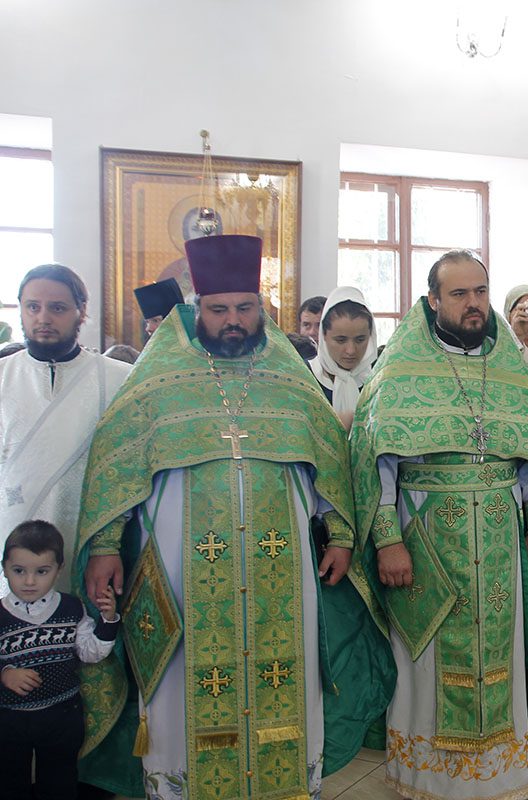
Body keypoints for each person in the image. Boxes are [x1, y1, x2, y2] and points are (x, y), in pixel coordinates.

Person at [77, 234, 392, 799]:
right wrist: (104, 545)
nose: (232, 321)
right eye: (219, 309)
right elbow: (116, 465)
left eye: (244, 308)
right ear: (198, 307)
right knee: (181, 686)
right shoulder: (156, 379)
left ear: (260, 307)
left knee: (285, 679)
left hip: (282, 571)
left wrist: (341, 536)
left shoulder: (289, 379)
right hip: (181, 574)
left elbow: (328, 462)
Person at [352, 250, 528, 800]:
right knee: (426, 656)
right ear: (433, 300)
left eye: (480, 292)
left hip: (498, 535)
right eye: (460, 294)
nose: (473, 304)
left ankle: (500, 776)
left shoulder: (509, 369)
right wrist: (388, 542)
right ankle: (429, 779)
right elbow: (378, 464)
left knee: (499, 651)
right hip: (427, 539)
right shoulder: (400, 368)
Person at [0, 264, 132, 595]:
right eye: (33, 307)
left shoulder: (119, 379)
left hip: (87, 540)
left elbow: (128, 469)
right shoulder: (2, 376)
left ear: (81, 311)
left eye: (57, 308)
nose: (43, 318)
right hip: (9, 534)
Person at [0, 521, 119, 800]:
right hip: (10, 719)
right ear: (4, 568)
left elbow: (91, 652)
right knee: (9, 781)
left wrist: (108, 620)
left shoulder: (70, 607)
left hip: (63, 715)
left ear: (58, 569)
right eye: (19, 571)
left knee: (59, 782)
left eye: (42, 571)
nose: (30, 581)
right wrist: (5, 674)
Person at [309, 287, 377, 432]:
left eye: (360, 340)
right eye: (341, 340)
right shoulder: (305, 378)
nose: (351, 350)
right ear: (324, 335)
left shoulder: (379, 380)